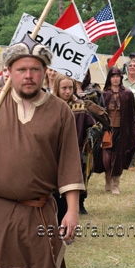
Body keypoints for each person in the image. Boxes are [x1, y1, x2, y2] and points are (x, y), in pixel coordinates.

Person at [0, 34, 85, 268]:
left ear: (45, 72)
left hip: (39, 211)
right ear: (8, 72)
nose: (28, 75)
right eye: (21, 69)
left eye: (35, 69)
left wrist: (71, 211)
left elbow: (70, 163)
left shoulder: (60, 111)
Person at [52, 73, 110, 217]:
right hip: (53, 151)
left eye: (70, 88)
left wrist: (93, 132)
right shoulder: (50, 106)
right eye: (63, 88)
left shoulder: (81, 106)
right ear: (57, 88)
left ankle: (76, 206)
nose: (67, 91)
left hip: (76, 150)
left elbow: (95, 123)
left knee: (75, 180)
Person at [94, 67, 135, 194]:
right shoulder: (104, 94)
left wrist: (133, 131)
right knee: (106, 157)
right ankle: (108, 180)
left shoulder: (127, 94)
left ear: (121, 78)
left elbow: (132, 114)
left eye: (117, 76)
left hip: (122, 130)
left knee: (118, 157)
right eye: (113, 76)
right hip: (107, 130)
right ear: (109, 78)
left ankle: (115, 185)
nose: (115, 79)